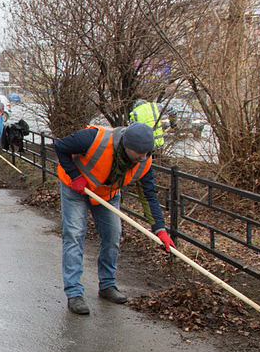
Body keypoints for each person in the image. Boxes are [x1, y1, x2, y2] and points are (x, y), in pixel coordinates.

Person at [54, 122, 175, 316]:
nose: (143, 158)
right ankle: (74, 293)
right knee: (75, 235)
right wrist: (75, 176)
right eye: (139, 153)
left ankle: (107, 285)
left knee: (113, 235)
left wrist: (160, 228)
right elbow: (60, 146)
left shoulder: (145, 160)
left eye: (147, 153)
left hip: (106, 194)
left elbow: (149, 195)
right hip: (76, 188)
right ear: (126, 146)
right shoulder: (93, 139)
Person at [129, 99, 169, 224]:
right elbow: (172, 110)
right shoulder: (155, 107)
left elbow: (131, 131)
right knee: (149, 174)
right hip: (155, 146)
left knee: (147, 174)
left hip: (139, 149)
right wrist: (173, 123)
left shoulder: (134, 113)